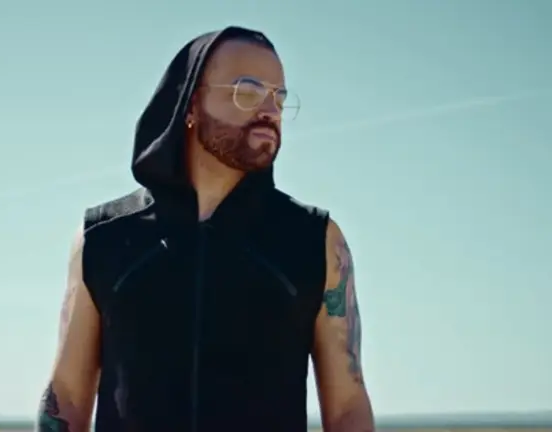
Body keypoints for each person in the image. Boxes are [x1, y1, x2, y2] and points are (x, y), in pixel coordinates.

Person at [37, 26, 375, 432]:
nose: (270, 110)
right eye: (248, 91)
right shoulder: (103, 239)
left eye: (280, 97)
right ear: (191, 104)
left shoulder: (314, 240)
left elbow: (347, 407)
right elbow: (67, 396)